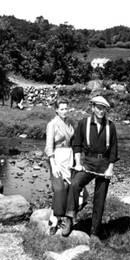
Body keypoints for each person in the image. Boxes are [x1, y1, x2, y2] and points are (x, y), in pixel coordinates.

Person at [65, 95, 119, 241]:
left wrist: (110, 168)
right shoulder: (84, 123)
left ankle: (95, 231)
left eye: (104, 109)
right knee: (75, 184)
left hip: (104, 165)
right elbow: (76, 144)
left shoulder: (110, 126)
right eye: (99, 108)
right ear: (93, 108)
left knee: (99, 199)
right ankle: (69, 218)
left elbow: (114, 149)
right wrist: (77, 163)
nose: (101, 111)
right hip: (87, 163)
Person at [44, 99, 75, 235]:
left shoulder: (69, 123)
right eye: (61, 109)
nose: (64, 111)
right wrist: (53, 164)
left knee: (70, 187)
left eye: (66, 108)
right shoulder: (52, 124)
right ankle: (55, 219)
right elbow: (49, 146)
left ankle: (57, 217)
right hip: (56, 158)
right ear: (56, 110)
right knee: (59, 188)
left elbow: (74, 141)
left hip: (69, 157)